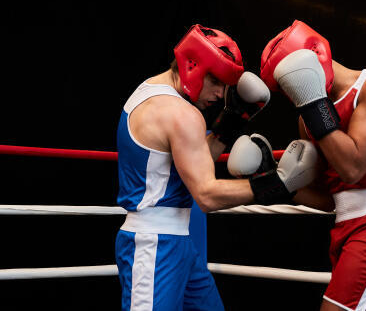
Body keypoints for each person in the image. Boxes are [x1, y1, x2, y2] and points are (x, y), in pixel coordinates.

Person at [115, 24, 318, 311]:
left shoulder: (150, 91)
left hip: (177, 243)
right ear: (194, 66)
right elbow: (207, 195)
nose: (222, 93)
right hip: (155, 245)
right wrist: (278, 183)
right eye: (218, 82)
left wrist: (234, 119)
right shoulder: (181, 114)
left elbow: (192, 163)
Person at [259, 20, 366, 311]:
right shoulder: (306, 118)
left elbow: (353, 168)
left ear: (317, 54)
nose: (290, 94)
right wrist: (278, 182)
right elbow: (329, 198)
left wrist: (314, 106)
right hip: (345, 228)